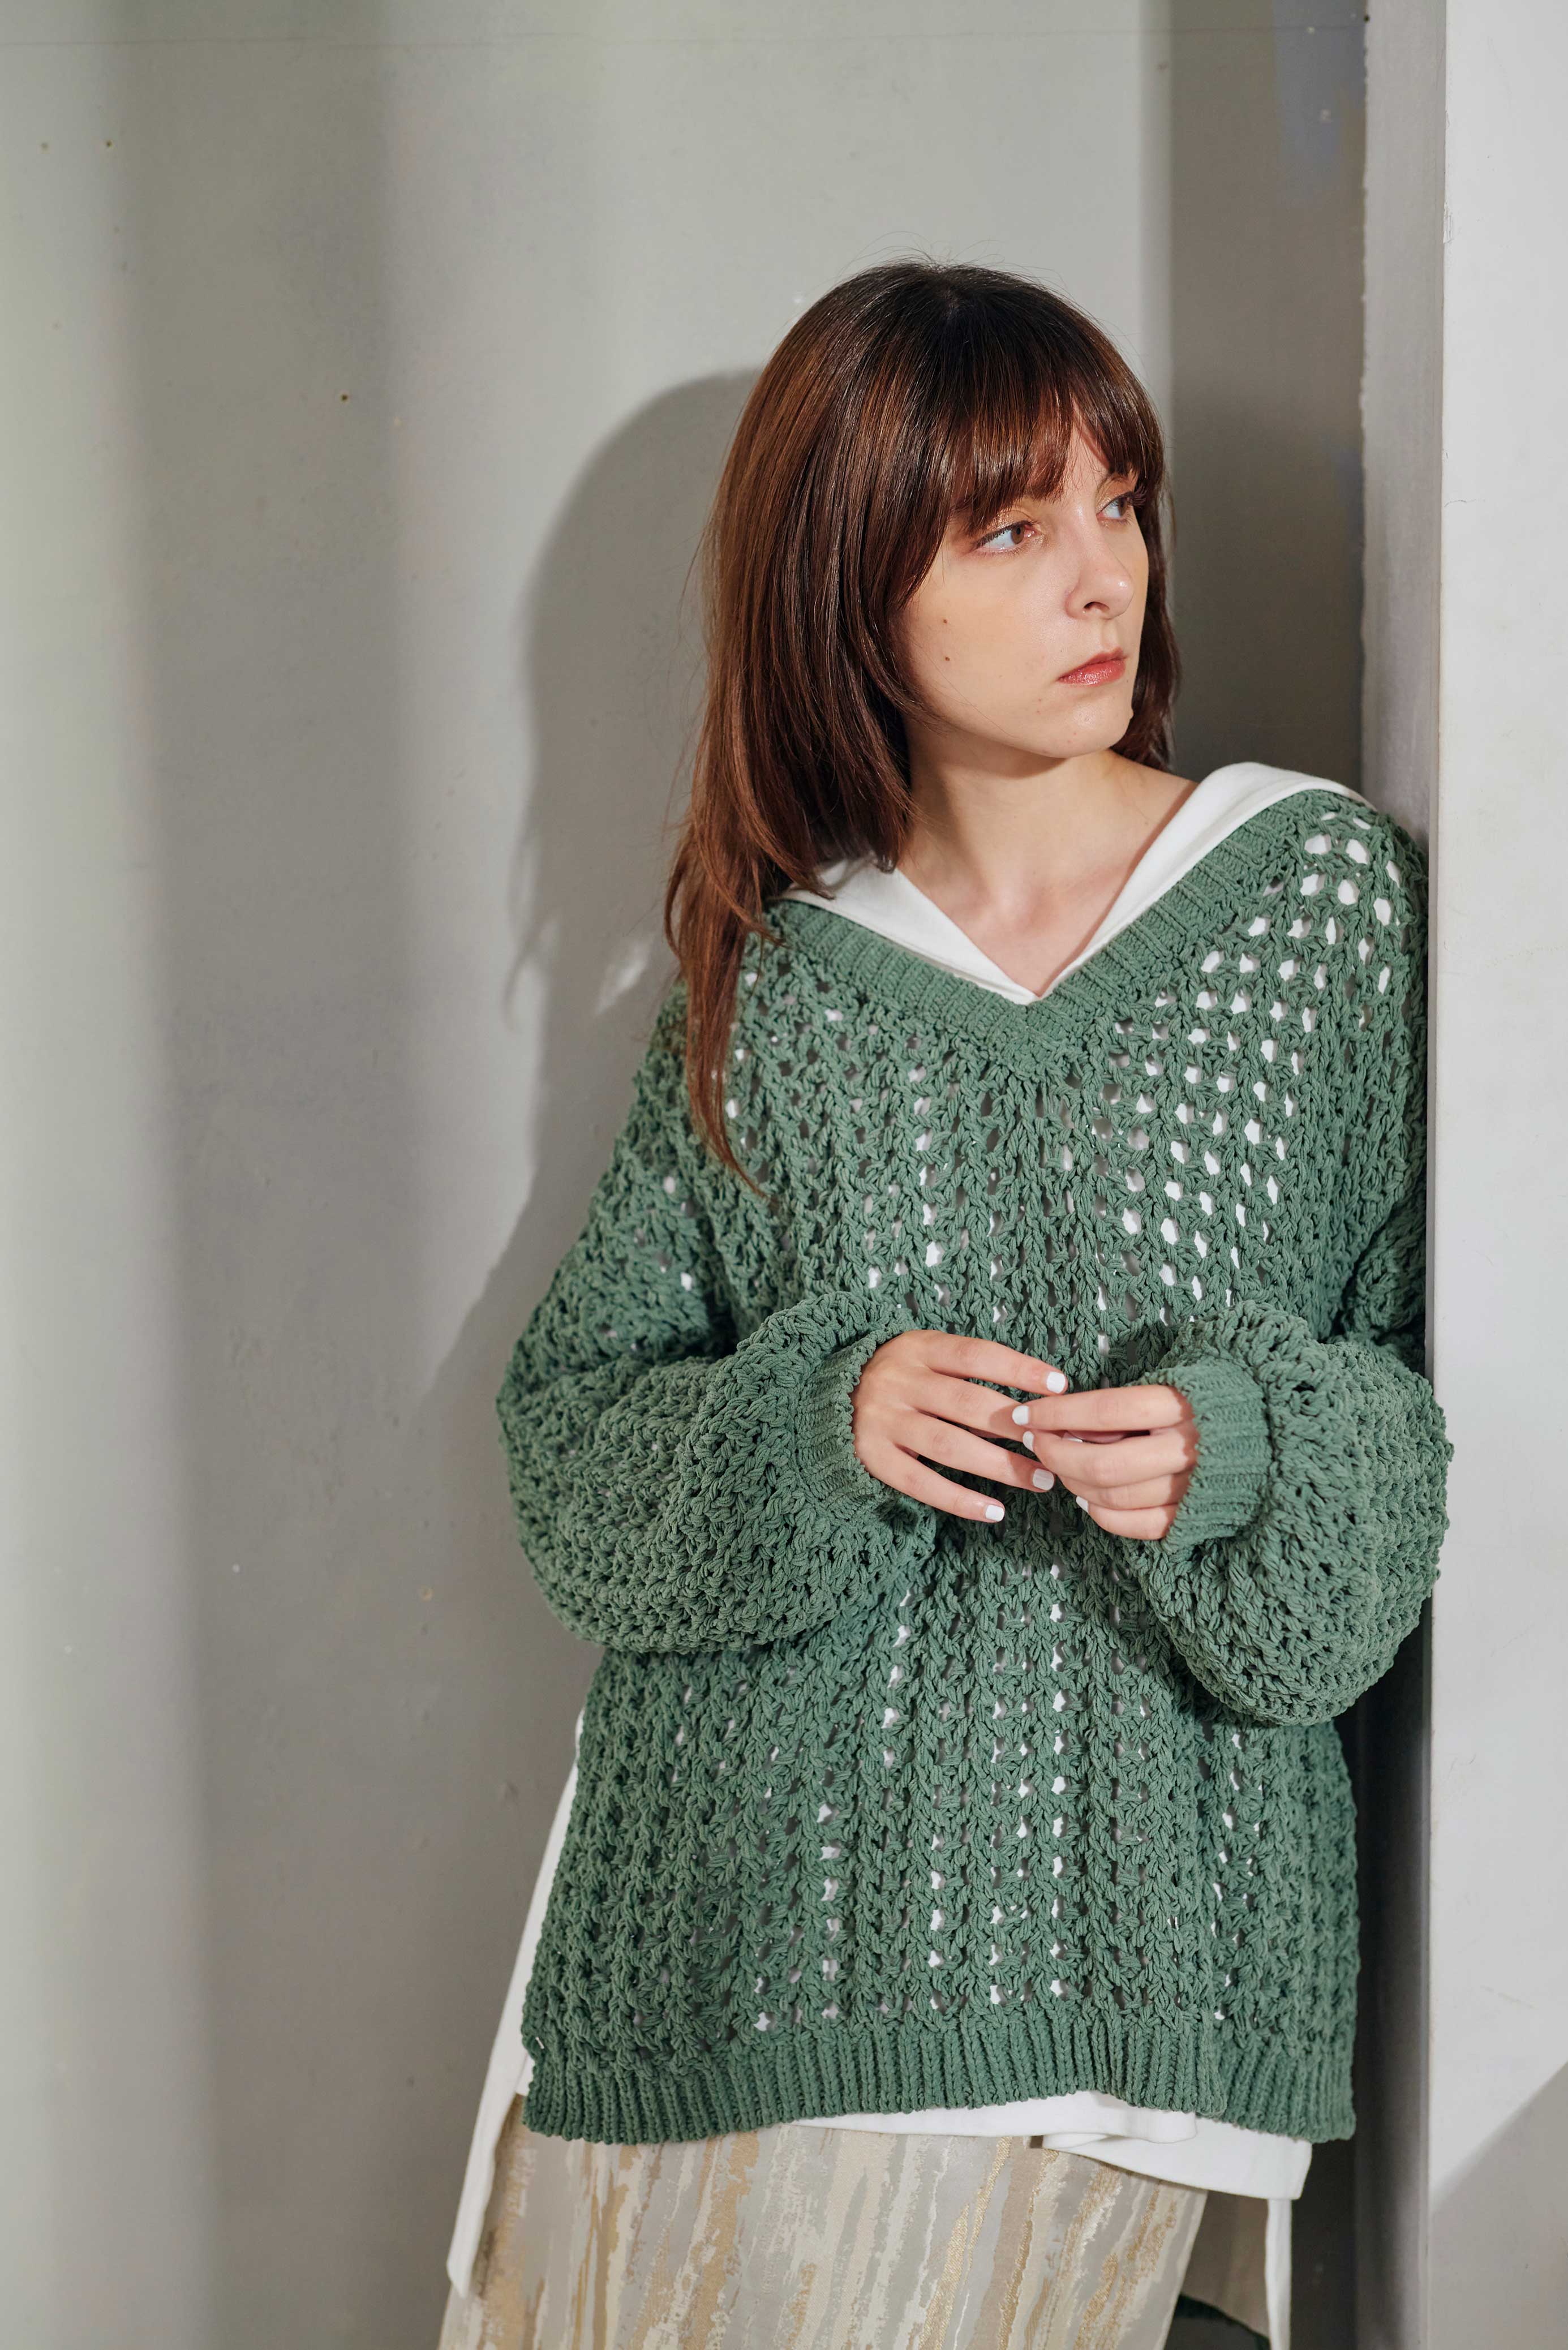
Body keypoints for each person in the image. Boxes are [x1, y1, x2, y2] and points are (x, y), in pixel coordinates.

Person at [439, 258, 1453, 2350]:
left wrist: (1243, 1446)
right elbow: (574, 1437)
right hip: (731, 1957)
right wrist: (823, 1418)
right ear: (853, 589)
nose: (1100, 575)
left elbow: (1419, 1408)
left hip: (1123, 1982)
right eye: (1008, 528)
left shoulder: (1314, 905)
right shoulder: (777, 979)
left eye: (1116, 502)